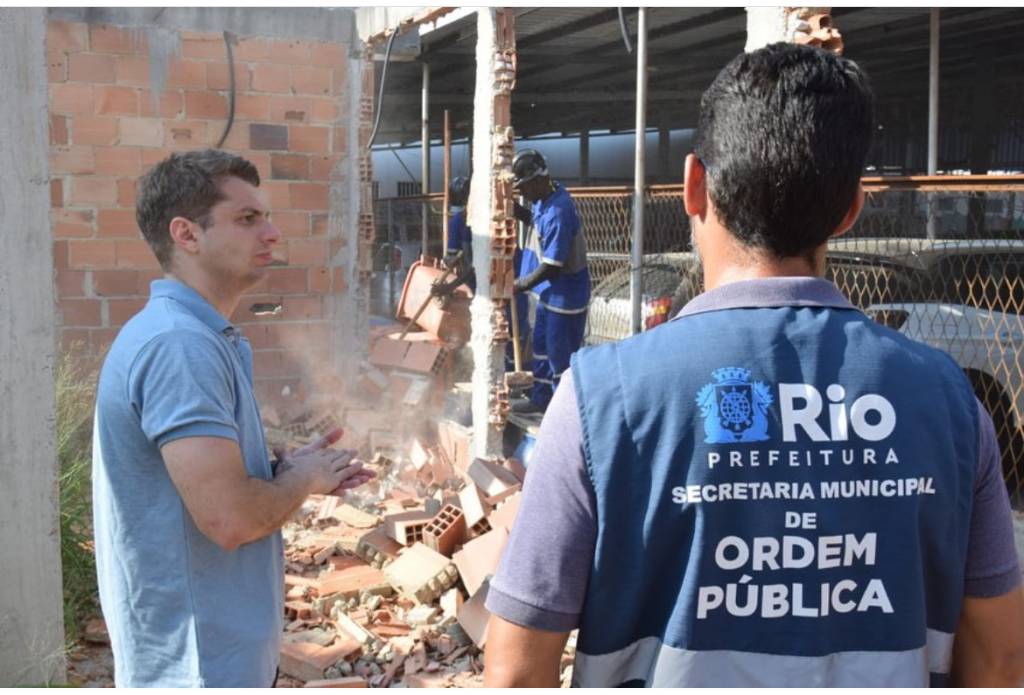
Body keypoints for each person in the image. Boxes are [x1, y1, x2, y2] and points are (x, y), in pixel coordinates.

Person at [483, 44, 1024, 687]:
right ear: (851, 209)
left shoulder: (600, 400)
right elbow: (1000, 660)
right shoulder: (951, 404)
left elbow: (516, 669)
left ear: (693, 187)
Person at [92, 149, 375, 687]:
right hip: (198, 666)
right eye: (247, 219)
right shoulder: (180, 346)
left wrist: (277, 469)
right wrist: (304, 479)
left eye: (266, 217)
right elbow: (230, 520)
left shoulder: (197, 336)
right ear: (186, 234)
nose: (271, 233)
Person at [511, 149, 591, 411]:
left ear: (537, 180)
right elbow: (537, 222)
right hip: (549, 293)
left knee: (559, 356)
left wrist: (518, 285)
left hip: (565, 296)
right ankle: (540, 400)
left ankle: (563, 410)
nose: (523, 194)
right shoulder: (544, 198)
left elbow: (552, 267)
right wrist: (516, 211)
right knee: (541, 348)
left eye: (523, 187)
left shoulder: (559, 211)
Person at [433, 174, 529, 373]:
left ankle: (509, 375)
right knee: (498, 333)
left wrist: (449, 286)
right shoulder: (461, 221)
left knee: (508, 334)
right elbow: (455, 258)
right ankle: (503, 371)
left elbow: (476, 266)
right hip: (491, 285)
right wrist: (450, 265)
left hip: (509, 282)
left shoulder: (488, 221)